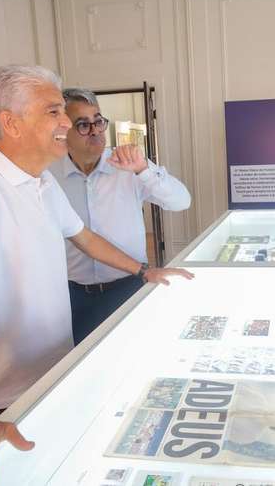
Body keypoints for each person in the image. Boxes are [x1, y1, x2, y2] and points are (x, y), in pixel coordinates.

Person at [0, 65, 193, 486]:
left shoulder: (41, 184)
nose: (67, 123)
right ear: (11, 122)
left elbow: (84, 237)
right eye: (54, 112)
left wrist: (144, 270)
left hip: (54, 367)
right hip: (5, 392)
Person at [49, 88, 191, 344]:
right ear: (63, 130)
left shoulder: (127, 167)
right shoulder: (49, 176)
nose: (95, 131)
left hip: (129, 284)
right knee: (82, 363)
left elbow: (181, 201)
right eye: (82, 124)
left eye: (98, 121)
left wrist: (144, 170)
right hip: (74, 295)